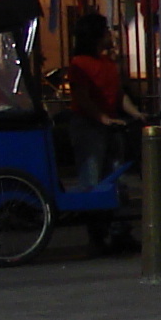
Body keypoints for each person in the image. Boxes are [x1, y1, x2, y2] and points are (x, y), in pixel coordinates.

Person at [61, 13, 131, 191]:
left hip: (111, 124)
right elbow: (82, 98)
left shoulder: (108, 62)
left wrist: (136, 112)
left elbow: (119, 94)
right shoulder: (80, 64)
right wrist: (102, 118)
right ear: (96, 35)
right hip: (88, 126)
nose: (110, 34)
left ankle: (112, 215)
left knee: (115, 174)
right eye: (106, 30)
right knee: (92, 176)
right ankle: (93, 214)